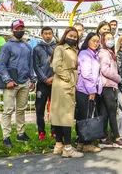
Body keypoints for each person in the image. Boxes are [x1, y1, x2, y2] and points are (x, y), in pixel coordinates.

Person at [0, 20, 36, 149]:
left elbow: (30, 65)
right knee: (8, 110)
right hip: (11, 83)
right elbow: (2, 65)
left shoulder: (27, 46)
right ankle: (6, 136)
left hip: (24, 82)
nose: (20, 30)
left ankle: (21, 133)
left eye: (22, 28)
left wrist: (32, 80)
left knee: (21, 109)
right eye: (17, 28)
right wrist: (7, 80)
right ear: (12, 30)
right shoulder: (7, 46)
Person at [50, 27, 83, 158]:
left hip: (64, 82)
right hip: (64, 83)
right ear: (65, 35)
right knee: (66, 115)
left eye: (75, 37)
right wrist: (68, 77)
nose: (73, 38)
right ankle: (68, 147)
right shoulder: (61, 48)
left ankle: (59, 144)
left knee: (60, 114)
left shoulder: (74, 49)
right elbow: (56, 66)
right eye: (71, 36)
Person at [98, 32, 122, 149]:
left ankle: (103, 137)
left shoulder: (110, 52)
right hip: (107, 85)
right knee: (112, 111)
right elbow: (105, 70)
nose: (110, 40)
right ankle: (117, 138)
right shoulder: (104, 53)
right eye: (107, 38)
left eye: (111, 38)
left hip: (109, 85)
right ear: (102, 40)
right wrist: (118, 78)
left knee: (105, 112)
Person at [75, 33, 102, 153]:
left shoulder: (94, 55)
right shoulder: (85, 54)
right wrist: (92, 90)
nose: (96, 43)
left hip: (89, 89)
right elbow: (86, 74)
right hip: (85, 90)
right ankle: (86, 143)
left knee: (84, 116)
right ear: (87, 41)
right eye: (93, 41)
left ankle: (81, 142)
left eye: (98, 41)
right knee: (85, 117)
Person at [33, 26, 56, 141]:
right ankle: (41, 131)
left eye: (50, 33)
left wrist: (53, 77)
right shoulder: (37, 48)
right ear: (41, 34)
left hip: (54, 82)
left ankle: (54, 131)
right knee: (40, 107)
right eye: (45, 33)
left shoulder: (57, 48)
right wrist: (44, 79)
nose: (48, 35)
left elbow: (58, 64)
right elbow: (36, 66)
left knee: (55, 108)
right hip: (42, 83)